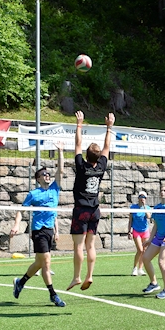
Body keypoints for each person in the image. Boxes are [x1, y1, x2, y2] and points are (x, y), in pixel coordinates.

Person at [10, 143, 65, 307]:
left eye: (48, 174)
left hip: (49, 230)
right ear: (38, 178)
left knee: (40, 263)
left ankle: (21, 282)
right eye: (44, 174)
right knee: (46, 262)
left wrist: (61, 152)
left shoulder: (55, 189)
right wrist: (16, 225)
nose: (47, 176)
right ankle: (53, 294)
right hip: (38, 230)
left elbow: (60, 171)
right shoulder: (33, 194)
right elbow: (21, 210)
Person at [67, 110, 115, 292]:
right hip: (95, 211)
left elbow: (77, 143)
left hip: (81, 210)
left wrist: (79, 124)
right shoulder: (101, 167)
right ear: (97, 158)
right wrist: (109, 127)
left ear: (86, 156)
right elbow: (107, 148)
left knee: (79, 245)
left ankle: (77, 276)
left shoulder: (81, 166)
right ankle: (90, 275)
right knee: (91, 245)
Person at [141, 185, 165, 299]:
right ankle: (154, 283)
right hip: (158, 237)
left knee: (162, 262)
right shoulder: (157, 208)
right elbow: (156, 225)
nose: (162, 192)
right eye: (161, 190)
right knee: (145, 258)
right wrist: (149, 240)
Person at [127, 191, 151, 276]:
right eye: (140, 196)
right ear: (138, 198)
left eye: (143, 197)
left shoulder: (147, 207)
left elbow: (149, 217)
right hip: (136, 231)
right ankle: (134, 268)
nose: (142, 198)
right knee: (140, 250)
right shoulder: (133, 207)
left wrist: (144, 207)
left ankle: (141, 269)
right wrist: (129, 231)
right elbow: (130, 221)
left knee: (144, 251)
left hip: (145, 231)